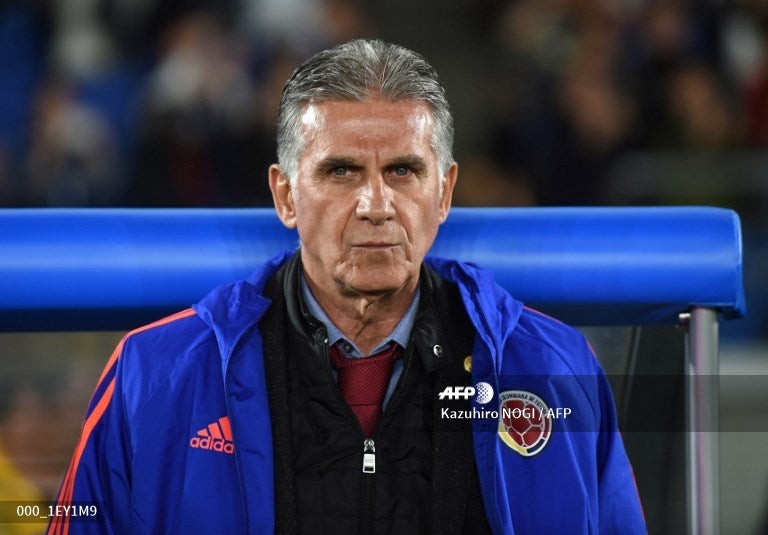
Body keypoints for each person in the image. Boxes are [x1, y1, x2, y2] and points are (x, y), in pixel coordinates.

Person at [49, 39, 645, 534]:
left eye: (403, 171)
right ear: (285, 194)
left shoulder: (555, 368)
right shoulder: (153, 375)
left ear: (444, 192)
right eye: (341, 171)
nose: (376, 204)